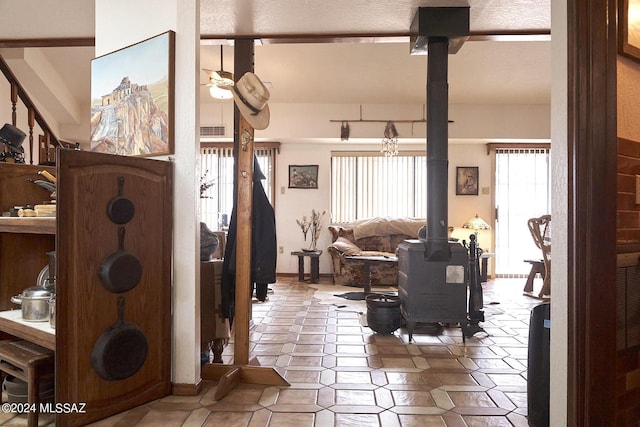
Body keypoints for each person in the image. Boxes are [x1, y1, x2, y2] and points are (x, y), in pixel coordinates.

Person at [221, 156, 277, 324]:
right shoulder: (248, 200)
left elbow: (264, 242)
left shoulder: (258, 204)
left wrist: (261, 280)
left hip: (248, 263)